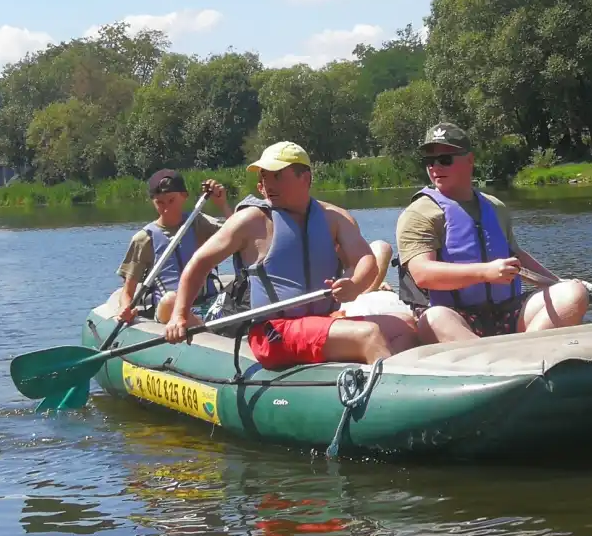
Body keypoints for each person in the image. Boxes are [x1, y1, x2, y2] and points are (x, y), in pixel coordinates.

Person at [163, 141, 418, 368]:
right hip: (274, 332)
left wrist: (355, 284)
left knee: (405, 326)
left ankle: (378, 377)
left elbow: (365, 261)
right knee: (368, 334)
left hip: (323, 320)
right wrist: (179, 314)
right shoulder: (251, 220)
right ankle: (390, 400)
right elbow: (199, 263)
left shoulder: (334, 218)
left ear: (305, 178)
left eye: (277, 176)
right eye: (264, 176)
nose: (266, 184)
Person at [395, 122, 592, 345]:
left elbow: (517, 257)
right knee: (434, 318)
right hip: (454, 315)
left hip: (506, 312)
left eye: (445, 160)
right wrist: (485, 272)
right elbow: (423, 273)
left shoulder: (494, 206)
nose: (435, 167)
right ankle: (500, 359)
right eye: (429, 161)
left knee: (573, 294)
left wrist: (557, 282)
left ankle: (526, 354)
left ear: (469, 160)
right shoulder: (419, 213)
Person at [116, 169, 233, 326]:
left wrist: (222, 204)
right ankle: (207, 333)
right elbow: (128, 291)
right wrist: (125, 307)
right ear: (152, 201)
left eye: (171, 201)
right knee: (171, 299)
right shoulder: (143, 239)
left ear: (184, 196)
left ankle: (208, 331)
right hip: (169, 310)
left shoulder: (198, 223)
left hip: (207, 304)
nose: (166, 209)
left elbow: (238, 233)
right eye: (160, 203)